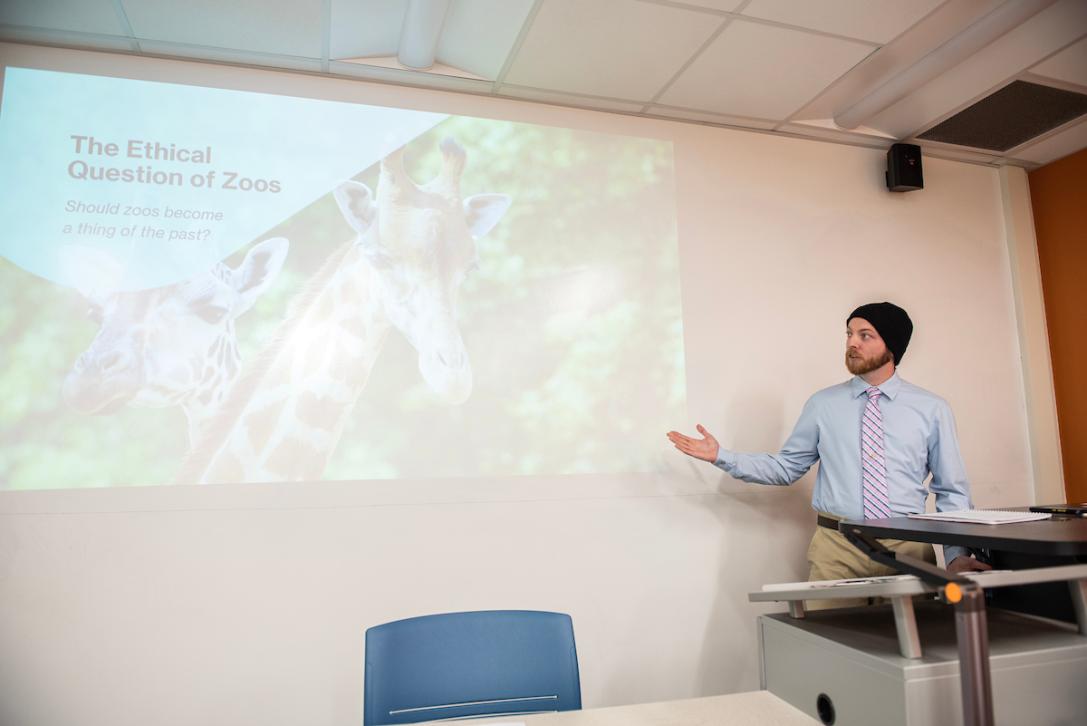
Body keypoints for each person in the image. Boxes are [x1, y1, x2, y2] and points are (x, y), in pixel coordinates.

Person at [667, 302, 989, 608]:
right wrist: (721, 456)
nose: (852, 343)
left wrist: (955, 554)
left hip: (908, 548)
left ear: (892, 346)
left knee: (910, 650)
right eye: (849, 333)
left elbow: (951, 490)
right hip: (837, 548)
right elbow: (786, 468)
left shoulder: (931, 409)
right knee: (830, 650)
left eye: (865, 335)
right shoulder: (823, 405)